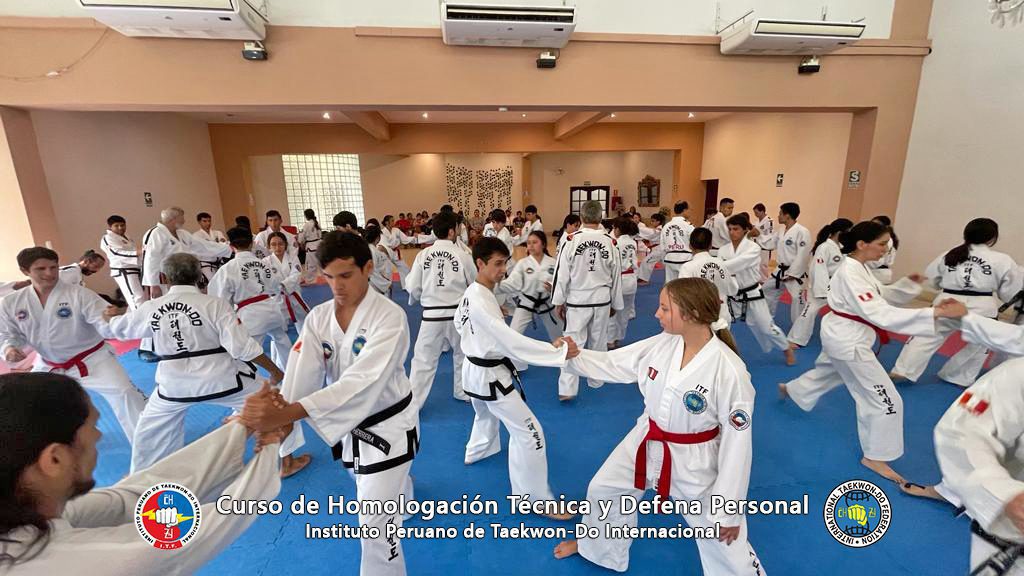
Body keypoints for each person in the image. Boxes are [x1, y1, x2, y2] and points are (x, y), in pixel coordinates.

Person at [553, 278, 765, 575]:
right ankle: (598, 547)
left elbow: (738, 447)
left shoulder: (729, 371)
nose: (656, 314)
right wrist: (575, 356)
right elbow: (616, 363)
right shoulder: (665, 343)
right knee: (604, 489)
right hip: (647, 436)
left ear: (690, 314)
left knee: (720, 532)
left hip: (694, 458)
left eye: (665, 308)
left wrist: (729, 509)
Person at [242, 231, 420, 576]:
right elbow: (302, 371)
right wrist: (281, 421)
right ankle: (403, 490)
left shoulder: (389, 317)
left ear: (367, 268)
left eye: (346, 275)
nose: (336, 286)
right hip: (347, 427)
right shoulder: (319, 317)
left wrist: (287, 413)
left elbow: (362, 381)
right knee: (368, 485)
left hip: (388, 427)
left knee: (375, 526)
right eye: (329, 277)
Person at [0, 371, 287, 575]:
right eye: (92, 426)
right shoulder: (75, 565)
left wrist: (244, 425)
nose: (99, 436)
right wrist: (271, 444)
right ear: (55, 459)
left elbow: (137, 498)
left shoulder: (23, 512)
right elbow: (208, 527)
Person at [103, 253, 301, 474]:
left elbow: (118, 329)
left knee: (147, 434)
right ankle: (287, 463)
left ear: (164, 278)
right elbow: (242, 348)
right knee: (276, 406)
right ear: (199, 276)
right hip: (221, 381)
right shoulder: (214, 305)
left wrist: (112, 314)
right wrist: (275, 371)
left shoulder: (150, 308)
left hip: (173, 387)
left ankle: (140, 481)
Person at [779, 221, 941, 483]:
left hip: (842, 335)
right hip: (848, 340)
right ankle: (875, 456)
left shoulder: (858, 267)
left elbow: (879, 295)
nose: (885, 249)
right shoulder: (851, 272)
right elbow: (879, 312)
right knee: (886, 399)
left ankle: (793, 389)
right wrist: (934, 314)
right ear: (862, 244)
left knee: (831, 371)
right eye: (881, 244)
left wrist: (905, 286)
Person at [455, 237, 576, 515]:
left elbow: (459, 323)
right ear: (480, 263)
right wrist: (555, 352)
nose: (503, 270)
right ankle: (535, 500)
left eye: (505, 263)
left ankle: (477, 451)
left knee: (485, 414)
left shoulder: (473, 292)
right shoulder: (481, 299)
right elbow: (510, 341)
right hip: (489, 376)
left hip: (473, 372)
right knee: (530, 433)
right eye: (497, 264)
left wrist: (482, 333)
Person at [0, 247, 146, 443]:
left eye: (53, 267)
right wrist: (9, 348)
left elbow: (106, 326)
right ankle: (58, 447)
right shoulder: (11, 302)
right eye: (41, 269)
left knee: (126, 393)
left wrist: (112, 319)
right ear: (25, 271)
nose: (50, 273)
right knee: (32, 406)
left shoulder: (79, 295)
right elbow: (8, 334)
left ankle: (150, 447)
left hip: (93, 360)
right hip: (49, 364)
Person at [891, 218, 1022, 388]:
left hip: (947, 301)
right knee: (980, 342)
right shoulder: (1002, 260)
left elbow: (932, 280)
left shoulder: (950, 254)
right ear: (992, 238)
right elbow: (1010, 291)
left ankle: (903, 370)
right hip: (981, 306)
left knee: (926, 335)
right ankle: (957, 376)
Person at [552, 200, 624, 401]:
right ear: (601, 218)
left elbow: (561, 274)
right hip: (602, 299)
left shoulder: (570, 240)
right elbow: (616, 276)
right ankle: (596, 380)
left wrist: (558, 301)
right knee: (598, 341)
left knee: (572, 342)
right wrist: (615, 303)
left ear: (582, 217)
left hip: (578, 299)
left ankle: (567, 389)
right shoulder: (611, 242)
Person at [406, 211, 476, 410]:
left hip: (431, 315)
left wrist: (420, 298)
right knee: (463, 354)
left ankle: (413, 404)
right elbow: (474, 283)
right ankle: (462, 390)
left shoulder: (423, 255)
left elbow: (413, 287)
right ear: (452, 231)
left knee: (423, 361)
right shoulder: (463, 255)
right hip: (457, 315)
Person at [208, 227, 293, 369]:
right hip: (271, 309)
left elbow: (219, 297)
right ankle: (291, 371)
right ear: (252, 244)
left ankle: (252, 376)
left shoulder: (228, 268)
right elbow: (276, 286)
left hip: (250, 315)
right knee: (282, 340)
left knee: (250, 351)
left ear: (231, 246)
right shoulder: (264, 263)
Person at [719, 215, 796, 366]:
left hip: (752, 293)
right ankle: (723, 355)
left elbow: (738, 264)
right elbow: (723, 273)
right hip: (732, 295)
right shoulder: (723, 250)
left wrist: (718, 266)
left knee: (766, 327)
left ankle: (786, 348)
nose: (732, 232)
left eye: (736, 229)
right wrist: (719, 268)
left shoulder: (753, 248)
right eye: (730, 229)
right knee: (722, 324)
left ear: (745, 230)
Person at [787, 218, 854, 348]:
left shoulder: (841, 248)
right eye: (849, 231)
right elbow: (818, 269)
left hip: (838, 286)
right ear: (840, 232)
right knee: (810, 311)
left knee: (847, 312)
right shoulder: (824, 247)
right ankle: (796, 339)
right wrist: (822, 290)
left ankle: (845, 339)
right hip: (821, 286)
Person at [498, 230, 562, 351]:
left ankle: (564, 358)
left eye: (534, 242)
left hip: (547, 304)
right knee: (513, 336)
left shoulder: (553, 263)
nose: (531, 246)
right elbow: (511, 283)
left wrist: (553, 289)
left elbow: (561, 284)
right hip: (526, 303)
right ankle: (513, 361)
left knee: (560, 336)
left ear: (543, 244)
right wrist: (492, 285)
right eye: (528, 243)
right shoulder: (523, 264)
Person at [676, 228, 738, 328]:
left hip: (699, 315)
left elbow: (683, 296)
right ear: (710, 245)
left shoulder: (688, 267)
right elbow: (732, 290)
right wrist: (733, 277)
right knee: (722, 338)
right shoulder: (722, 263)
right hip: (721, 314)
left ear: (690, 246)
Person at [763, 202, 811, 326]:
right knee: (767, 289)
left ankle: (799, 327)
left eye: (780, 213)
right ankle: (767, 319)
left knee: (797, 299)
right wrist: (756, 237)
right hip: (780, 269)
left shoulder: (802, 232)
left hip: (795, 273)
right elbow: (770, 243)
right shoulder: (781, 230)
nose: (778, 216)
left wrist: (793, 273)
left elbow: (803, 255)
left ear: (787, 215)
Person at [263, 231, 310, 335]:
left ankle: (304, 341)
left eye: (280, 244)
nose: (277, 247)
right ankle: (279, 344)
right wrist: (277, 287)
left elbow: (296, 274)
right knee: (279, 328)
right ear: (269, 246)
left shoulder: (292, 258)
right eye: (273, 244)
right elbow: (266, 279)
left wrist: (283, 285)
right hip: (277, 297)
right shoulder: (265, 262)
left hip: (293, 294)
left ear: (285, 244)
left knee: (303, 322)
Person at [99, 215, 144, 310]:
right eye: (116, 226)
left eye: (122, 225)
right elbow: (115, 253)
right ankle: (141, 318)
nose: (120, 228)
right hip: (123, 270)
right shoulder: (108, 238)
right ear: (110, 227)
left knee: (140, 297)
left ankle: (136, 316)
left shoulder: (126, 237)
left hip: (134, 268)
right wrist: (137, 252)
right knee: (136, 297)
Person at [609, 217, 640, 349]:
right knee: (625, 313)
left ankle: (610, 340)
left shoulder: (614, 243)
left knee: (612, 311)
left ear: (618, 229)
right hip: (631, 279)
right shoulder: (633, 242)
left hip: (619, 280)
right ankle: (618, 338)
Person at [660, 201, 695, 280]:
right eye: (689, 209)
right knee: (686, 284)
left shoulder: (666, 226)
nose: (690, 212)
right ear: (684, 210)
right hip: (685, 259)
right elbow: (695, 243)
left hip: (669, 258)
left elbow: (662, 246)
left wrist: (664, 259)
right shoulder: (688, 225)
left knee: (670, 284)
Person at [193, 211, 228, 283]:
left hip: (220, 262)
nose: (208, 223)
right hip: (206, 264)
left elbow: (224, 245)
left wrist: (213, 246)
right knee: (213, 282)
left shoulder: (218, 233)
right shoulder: (196, 236)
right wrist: (217, 245)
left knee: (224, 281)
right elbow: (204, 250)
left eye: (209, 221)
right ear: (199, 222)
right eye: (204, 221)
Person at [867, 215, 898, 284]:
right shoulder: (884, 238)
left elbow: (876, 261)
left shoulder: (887, 240)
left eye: (876, 225)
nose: (872, 227)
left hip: (878, 273)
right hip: (879, 273)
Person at [364, 226, 394, 296]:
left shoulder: (370, 249)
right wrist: (386, 284)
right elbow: (372, 271)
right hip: (375, 284)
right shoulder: (372, 251)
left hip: (376, 281)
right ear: (377, 238)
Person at [637, 212, 666, 284]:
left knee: (646, 261)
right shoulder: (657, 229)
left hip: (659, 250)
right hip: (658, 249)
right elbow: (649, 235)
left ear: (658, 222)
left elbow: (651, 234)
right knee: (667, 265)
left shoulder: (659, 230)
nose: (651, 222)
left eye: (653, 221)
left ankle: (643, 279)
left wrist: (637, 229)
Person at [297, 208, 323, 284]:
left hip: (311, 247)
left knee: (311, 265)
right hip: (319, 245)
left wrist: (300, 241)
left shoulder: (307, 225)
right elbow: (320, 235)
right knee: (321, 264)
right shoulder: (317, 223)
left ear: (306, 216)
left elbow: (301, 238)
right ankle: (328, 278)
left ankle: (309, 281)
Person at [748, 203, 776, 273]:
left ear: (762, 211)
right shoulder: (756, 222)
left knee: (763, 266)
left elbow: (771, 235)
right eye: (754, 213)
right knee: (756, 265)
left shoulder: (769, 221)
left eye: (756, 213)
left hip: (765, 246)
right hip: (757, 246)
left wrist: (758, 235)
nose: (755, 215)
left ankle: (764, 279)